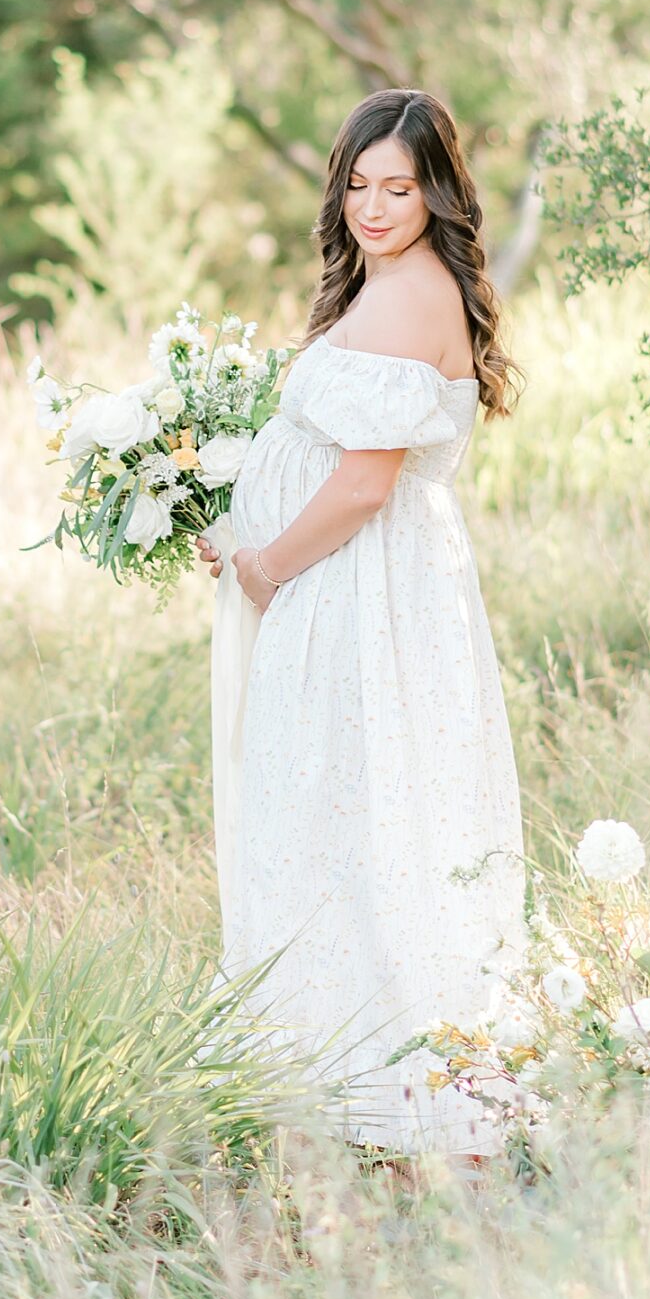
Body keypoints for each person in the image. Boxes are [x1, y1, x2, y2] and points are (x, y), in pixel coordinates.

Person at [198, 86, 526, 1157]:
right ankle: (336, 1053)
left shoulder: (403, 296)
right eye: (357, 183)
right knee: (344, 802)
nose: (373, 207)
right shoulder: (390, 284)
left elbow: (359, 486)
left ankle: (364, 1072)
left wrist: (263, 566)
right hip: (358, 583)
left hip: (354, 587)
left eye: (399, 187)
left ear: (437, 194)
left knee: (346, 801)